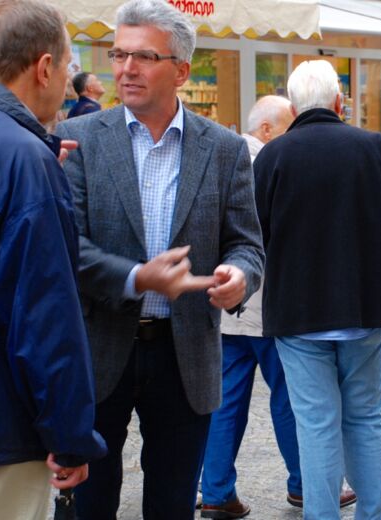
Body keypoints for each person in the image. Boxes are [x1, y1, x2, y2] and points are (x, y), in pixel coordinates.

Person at [55, 1, 265, 518]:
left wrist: (240, 275)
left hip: (184, 354)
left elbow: (247, 243)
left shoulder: (223, 149)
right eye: (119, 54)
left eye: (144, 56)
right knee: (88, 503)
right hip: (98, 350)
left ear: (182, 70)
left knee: (172, 504)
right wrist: (134, 278)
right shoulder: (78, 140)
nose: (125, 68)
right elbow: (67, 247)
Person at [253, 59, 381, 519]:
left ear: (292, 105)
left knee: (316, 423)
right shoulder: (375, 147)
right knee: (364, 418)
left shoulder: (274, 156)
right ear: (339, 101)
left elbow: (255, 227)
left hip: (298, 310)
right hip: (364, 304)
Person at [200, 95, 356, 519]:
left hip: (226, 307)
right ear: (267, 129)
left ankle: (215, 490)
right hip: (271, 306)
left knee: (224, 402)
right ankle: (305, 485)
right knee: (292, 399)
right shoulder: (268, 161)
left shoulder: (219, 157)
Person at [0, 1, 107, 518]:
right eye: (71, 65)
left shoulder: (23, 154)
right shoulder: (24, 160)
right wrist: (71, 436)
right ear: (45, 67)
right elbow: (43, 316)